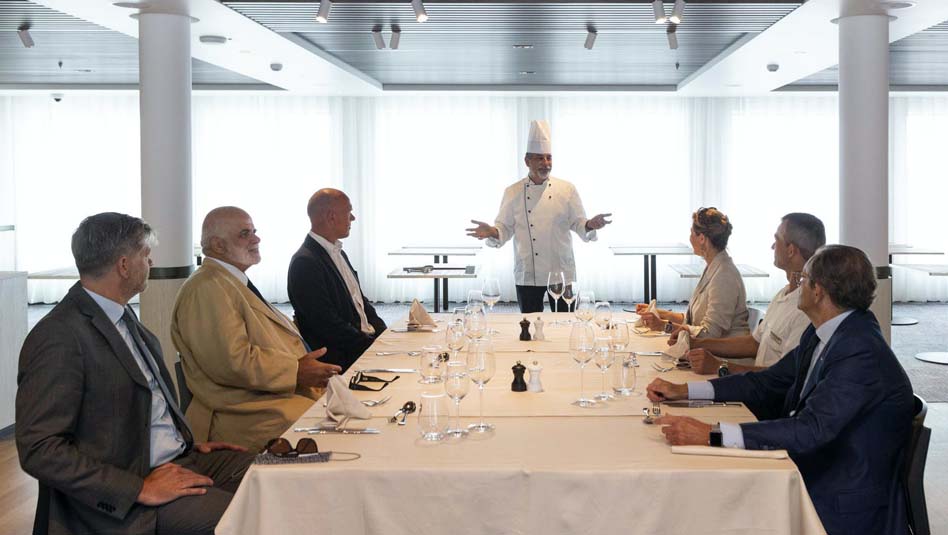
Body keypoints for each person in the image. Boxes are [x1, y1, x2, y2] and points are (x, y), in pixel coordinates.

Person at [646, 245, 914, 535]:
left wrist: (712, 433)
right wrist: (685, 390)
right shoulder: (826, 332)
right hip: (819, 466)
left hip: (840, 499)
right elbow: (767, 381)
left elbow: (810, 429)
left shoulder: (860, 351)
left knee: (705, 501)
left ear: (818, 291)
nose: (797, 283)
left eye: (804, 278)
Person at [16, 212, 255, 535]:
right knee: (250, 519)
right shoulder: (59, 335)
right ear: (124, 265)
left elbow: (130, 410)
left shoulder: (123, 315)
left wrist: (178, 441)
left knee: (276, 476)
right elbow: (39, 449)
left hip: (176, 459)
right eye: (145, 254)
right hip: (128, 491)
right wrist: (138, 489)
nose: (151, 262)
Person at [171, 206, 340, 451]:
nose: (256, 239)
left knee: (351, 412)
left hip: (269, 396)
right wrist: (295, 371)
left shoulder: (230, 280)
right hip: (240, 411)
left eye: (254, 231)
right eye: (245, 234)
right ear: (218, 245)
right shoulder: (206, 288)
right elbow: (231, 362)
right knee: (332, 429)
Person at [466, 119, 612, 313]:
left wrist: (590, 225)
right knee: (529, 324)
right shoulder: (513, 192)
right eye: (539, 158)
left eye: (549, 158)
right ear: (527, 161)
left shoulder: (567, 189)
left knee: (565, 322)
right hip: (528, 272)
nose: (546, 163)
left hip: (561, 270)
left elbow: (579, 223)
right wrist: (493, 231)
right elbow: (504, 228)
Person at [686, 213, 825, 375]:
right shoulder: (784, 294)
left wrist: (720, 366)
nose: (773, 246)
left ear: (791, 250)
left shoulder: (805, 309)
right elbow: (754, 343)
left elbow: (785, 378)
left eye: (777, 240)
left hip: (761, 389)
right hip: (752, 383)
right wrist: (696, 343)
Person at [288, 189, 386, 371]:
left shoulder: (338, 253)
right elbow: (326, 324)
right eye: (349, 212)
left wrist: (384, 335)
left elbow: (360, 302)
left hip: (362, 345)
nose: (353, 218)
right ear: (331, 217)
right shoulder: (305, 262)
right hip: (343, 359)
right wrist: (372, 348)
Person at [638, 206, 749, 338]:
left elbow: (710, 333)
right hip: (707, 347)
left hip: (722, 350)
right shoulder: (714, 267)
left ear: (702, 238)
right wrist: (660, 314)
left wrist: (664, 326)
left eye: (691, 233)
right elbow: (693, 322)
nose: (690, 238)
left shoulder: (724, 276)